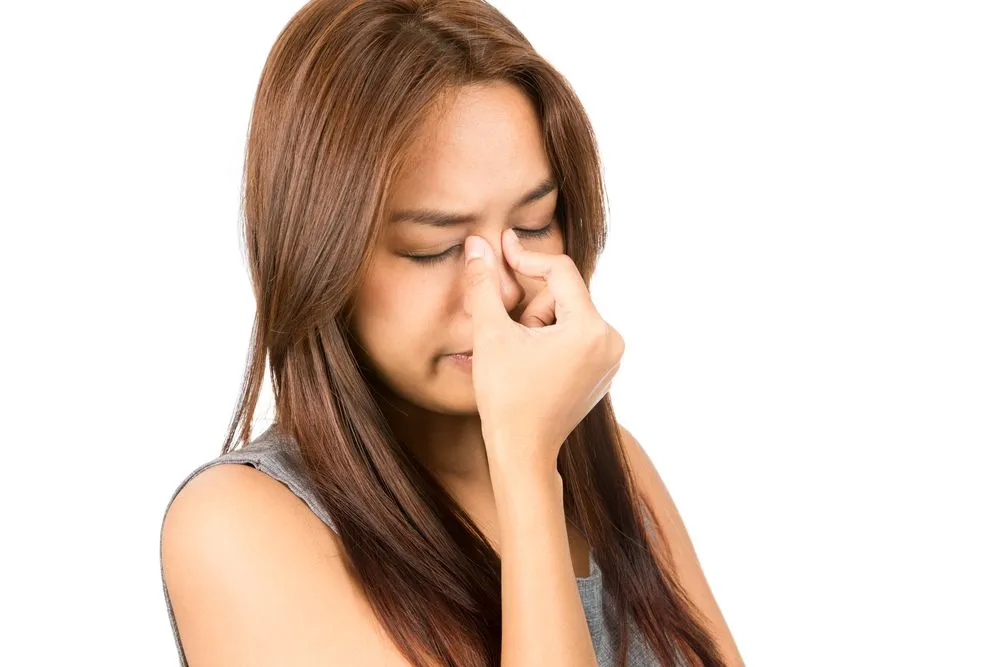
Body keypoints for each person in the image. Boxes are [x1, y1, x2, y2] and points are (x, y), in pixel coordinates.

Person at [159, 1, 744, 665]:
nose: (496, 288)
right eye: (433, 247)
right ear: (320, 256)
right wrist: (523, 464)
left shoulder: (608, 463)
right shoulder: (236, 523)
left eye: (532, 226)